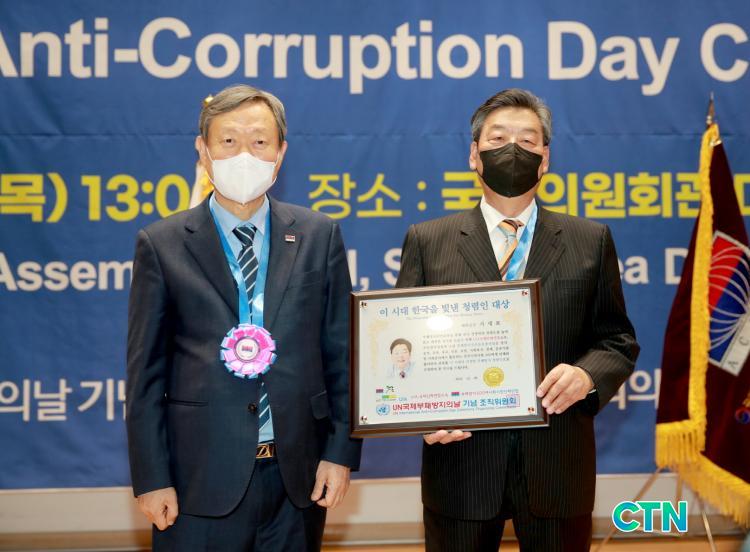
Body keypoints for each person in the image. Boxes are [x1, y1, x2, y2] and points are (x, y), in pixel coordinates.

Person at [396, 88, 639, 552]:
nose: (513, 150)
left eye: (527, 141)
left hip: (557, 464)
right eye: (498, 138)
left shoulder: (590, 240)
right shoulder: (429, 241)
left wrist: (587, 375)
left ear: (545, 159)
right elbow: (402, 344)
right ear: (474, 155)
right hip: (461, 464)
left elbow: (617, 341)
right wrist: (421, 413)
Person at [126, 84, 362, 551]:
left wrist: (340, 454)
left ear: (280, 153)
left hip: (298, 478)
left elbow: (342, 356)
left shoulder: (318, 235)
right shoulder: (162, 244)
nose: (244, 155)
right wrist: (152, 478)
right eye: (229, 141)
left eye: (259, 142)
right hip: (197, 480)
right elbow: (145, 376)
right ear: (203, 150)